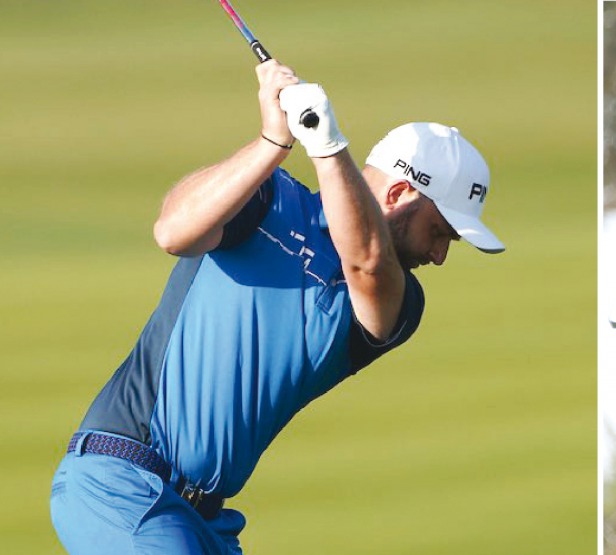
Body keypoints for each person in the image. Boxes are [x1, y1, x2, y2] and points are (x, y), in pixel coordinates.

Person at [49, 60, 504, 554]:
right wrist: (273, 141)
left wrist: (328, 148)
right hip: (122, 483)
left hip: (206, 520)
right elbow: (173, 231)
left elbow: (367, 263)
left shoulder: (398, 301)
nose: (439, 255)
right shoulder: (270, 200)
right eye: (439, 232)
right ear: (398, 193)